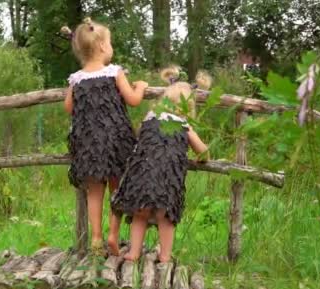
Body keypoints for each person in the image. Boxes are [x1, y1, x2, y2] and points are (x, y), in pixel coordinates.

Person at [61, 18, 148, 257]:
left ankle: (96, 237)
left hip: (89, 144)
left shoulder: (76, 79)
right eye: (109, 42)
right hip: (116, 140)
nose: (111, 47)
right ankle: (113, 234)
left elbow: (69, 107)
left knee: (94, 191)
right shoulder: (114, 72)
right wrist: (140, 86)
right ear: (101, 46)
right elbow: (133, 100)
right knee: (116, 187)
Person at [111, 65, 210, 262]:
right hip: (167, 180)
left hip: (141, 176)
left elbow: (141, 142)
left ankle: (133, 252)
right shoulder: (183, 125)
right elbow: (204, 152)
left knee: (140, 214)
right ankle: (165, 256)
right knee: (166, 218)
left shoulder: (148, 120)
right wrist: (201, 158)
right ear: (188, 107)